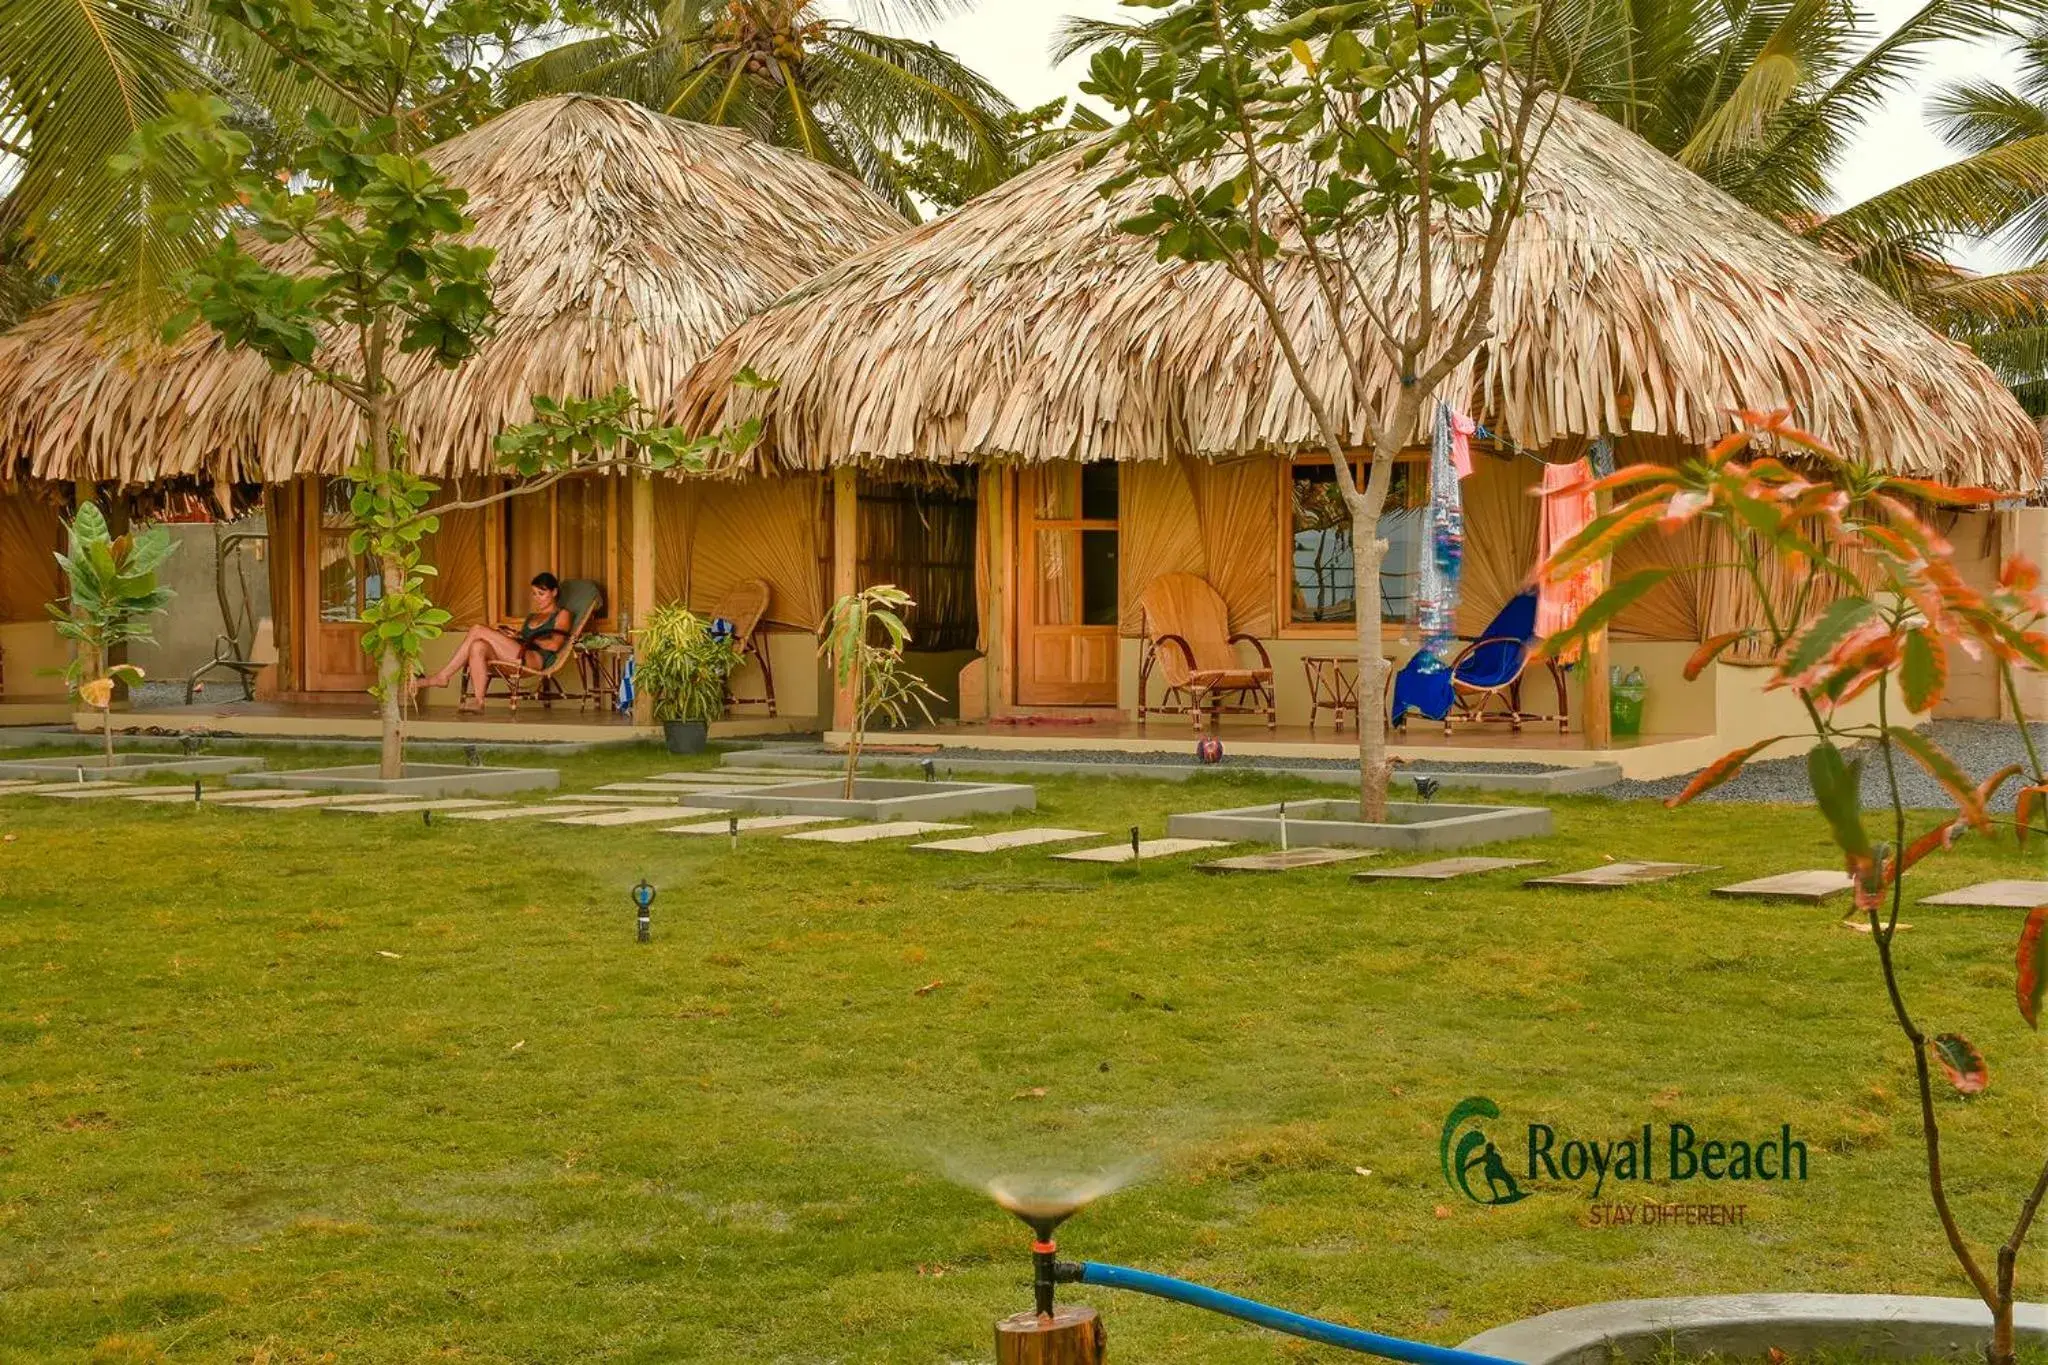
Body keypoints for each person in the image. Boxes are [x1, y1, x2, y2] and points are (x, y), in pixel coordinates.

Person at [412, 573, 573, 713]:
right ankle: (479, 701)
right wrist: (512, 637)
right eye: (534, 593)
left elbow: (554, 645)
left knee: (477, 629)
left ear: (554, 592)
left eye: (541, 593)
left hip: (535, 659)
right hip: (519, 653)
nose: (537, 598)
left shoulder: (561, 614)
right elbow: (522, 641)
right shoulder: (532, 617)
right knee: (478, 646)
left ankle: (442, 677)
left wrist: (524, 638)